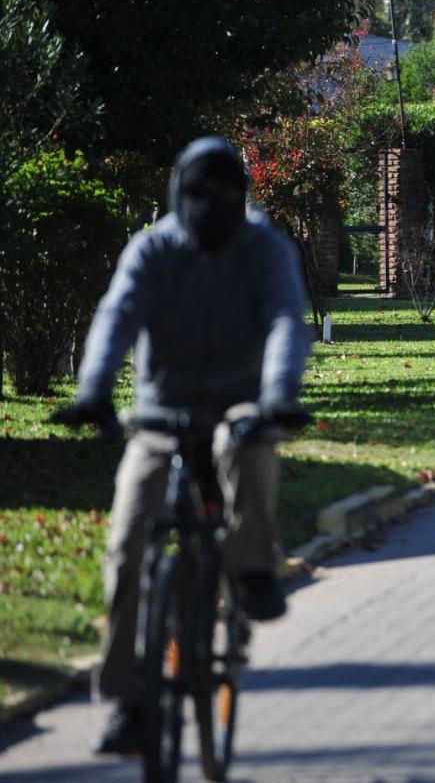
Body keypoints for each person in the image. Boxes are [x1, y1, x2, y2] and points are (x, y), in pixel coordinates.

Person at [54, 136, 313, 756]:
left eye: (225, 195)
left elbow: (285, 322)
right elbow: (116, 315)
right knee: (126, 547)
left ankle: (251, 566)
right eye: (198, 194)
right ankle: (125, 702)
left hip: (241, 408)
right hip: (160, 416)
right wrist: (94, 389)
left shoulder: (264, 249)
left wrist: (278, 394)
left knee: (244, 442)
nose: (210, 207)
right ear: (178, 193)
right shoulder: (153, 249)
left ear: (243, 197)